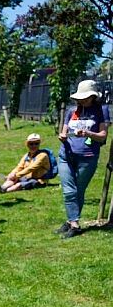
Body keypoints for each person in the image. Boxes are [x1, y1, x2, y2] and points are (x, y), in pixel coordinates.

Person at [57, 80, 109, 238]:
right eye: (81, 98)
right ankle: (74, 223)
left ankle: (70, 222)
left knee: (78, 190)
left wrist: (88, 134)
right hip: (66, 155)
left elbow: (102, 137)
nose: (82, 101)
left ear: (93, 96)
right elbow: (63, 132)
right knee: (69, 191)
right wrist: (62, 136)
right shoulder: (72, 110)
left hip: (88, 157)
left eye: (86, 98)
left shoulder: (102, 110)